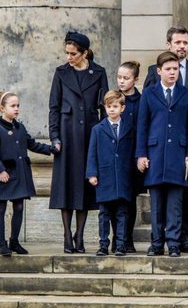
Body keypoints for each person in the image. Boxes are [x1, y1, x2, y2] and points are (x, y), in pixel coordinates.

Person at [143, 25, 188, 254]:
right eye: (178, 43)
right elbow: (144, 120)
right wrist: (140, 154)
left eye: (185, 43)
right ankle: (158, 241)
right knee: (160, 200)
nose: (182, 46)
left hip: (183, 148)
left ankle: (181, 239)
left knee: (181, 196)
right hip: (156, 149)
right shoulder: (153, 79)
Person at [49, 31, 109, 253]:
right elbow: (54, 107)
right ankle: (67, 235)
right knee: (66, 186)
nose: (69, 57)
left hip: (90, 135)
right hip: (66, 135)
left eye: (73, 54)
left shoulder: (99, 72)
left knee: (85, 187)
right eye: (67, 53)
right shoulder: (61, 72)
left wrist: (103, 138)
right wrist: (54, 136)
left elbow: (105, 107)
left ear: (84, 53)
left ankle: (80, 236)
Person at [137, 51, 188, 257]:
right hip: (155, 153)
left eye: (175, 69)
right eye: (168, 69)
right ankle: (156, 242)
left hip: (178, 155)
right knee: (157, 203)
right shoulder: (149, 93)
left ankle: (173, 242)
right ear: (159, 71)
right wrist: (141, 154)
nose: (173, 73)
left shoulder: (186, 94)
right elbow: (142, 126)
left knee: (175, 202)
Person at [0, 91, 56, 256]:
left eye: (18, 105)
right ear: (2, 108)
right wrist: (0, 170)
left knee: (18, 206)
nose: (16, 109)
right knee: (1, 208)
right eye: (13, 106)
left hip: (19, 174)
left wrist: (51, 149)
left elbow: (31, 143)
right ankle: (2, 244)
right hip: (4, 175)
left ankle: (14, 241)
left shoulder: (20, 127)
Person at [86, 90, 135, 257]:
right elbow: (92, 153)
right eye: (109, 107)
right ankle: (103, 244)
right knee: (104, 214)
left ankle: (121, 244)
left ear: (122, 108)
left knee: (122, 213)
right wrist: (92, 173)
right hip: (104, 177)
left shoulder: (129, 128)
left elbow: (133, 151)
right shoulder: (98, 129)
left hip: (123, 177)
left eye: (115, 106)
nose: (112, 110)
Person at [110, 60, 144, 253]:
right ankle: (116, 239)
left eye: (126, 78)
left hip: (132, 158)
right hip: (115, 157)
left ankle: (127, 238)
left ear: (135, 79)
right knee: (115, 201)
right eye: (119, 77)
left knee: (130, 201)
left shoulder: (141, 101)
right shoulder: (113, 99)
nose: (121, 81)